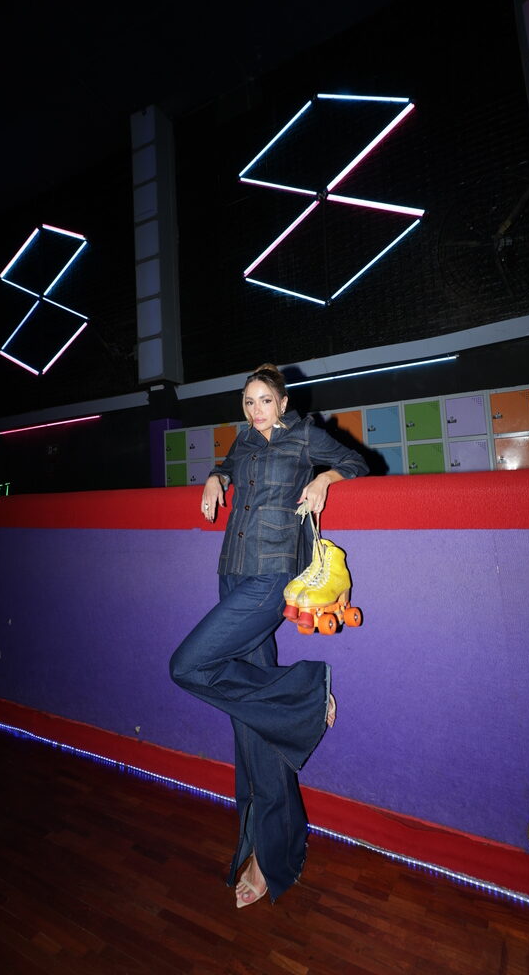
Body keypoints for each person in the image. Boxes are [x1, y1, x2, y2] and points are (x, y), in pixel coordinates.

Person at [169, 363, 369, 908]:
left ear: (282, 403)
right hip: (231, 571)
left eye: (264, 400)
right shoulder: (243, 440)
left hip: (270, 576)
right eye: (248, 401)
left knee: (186, 666)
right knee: (251, 723)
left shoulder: (304, 436)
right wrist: (215, 478)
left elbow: (357, 462)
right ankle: (270, 852)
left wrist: (323, 480)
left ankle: (304, 694)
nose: (256, 410)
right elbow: (227, 465)